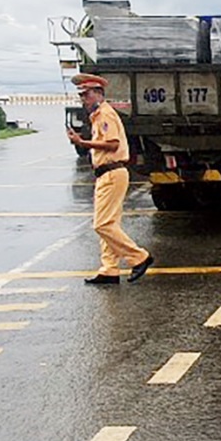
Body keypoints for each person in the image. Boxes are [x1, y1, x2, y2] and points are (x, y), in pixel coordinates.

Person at [66, 74, 153, 285]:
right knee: (110, 222)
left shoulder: (105, 114)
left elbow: (113, 144)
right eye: (82, 96)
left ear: (98, 94)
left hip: (112, 172)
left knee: (102, 224)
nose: (83, 100)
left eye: (86, 95)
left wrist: (83, 143)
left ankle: (139, 257)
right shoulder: (98, 115)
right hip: (107, 173)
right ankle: (109, 269)